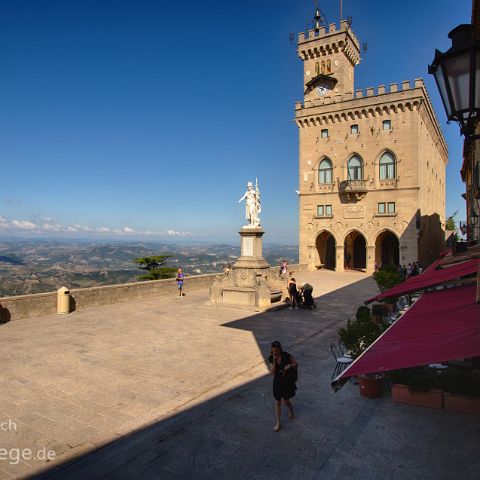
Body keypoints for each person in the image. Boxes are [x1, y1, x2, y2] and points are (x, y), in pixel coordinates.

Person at [268, 341, 298, 432]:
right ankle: (278, 423)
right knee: (277, 401)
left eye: (276, 350)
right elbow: (272, 373)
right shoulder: (270, 358)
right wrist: (273, 361)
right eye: (273, 350)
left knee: (286, 401)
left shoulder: (287, 355)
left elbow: (296, 364)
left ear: (280, 349)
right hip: (277, 381)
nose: (274, 352)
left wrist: (290, 365)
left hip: (287, 381)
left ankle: (291, 410)